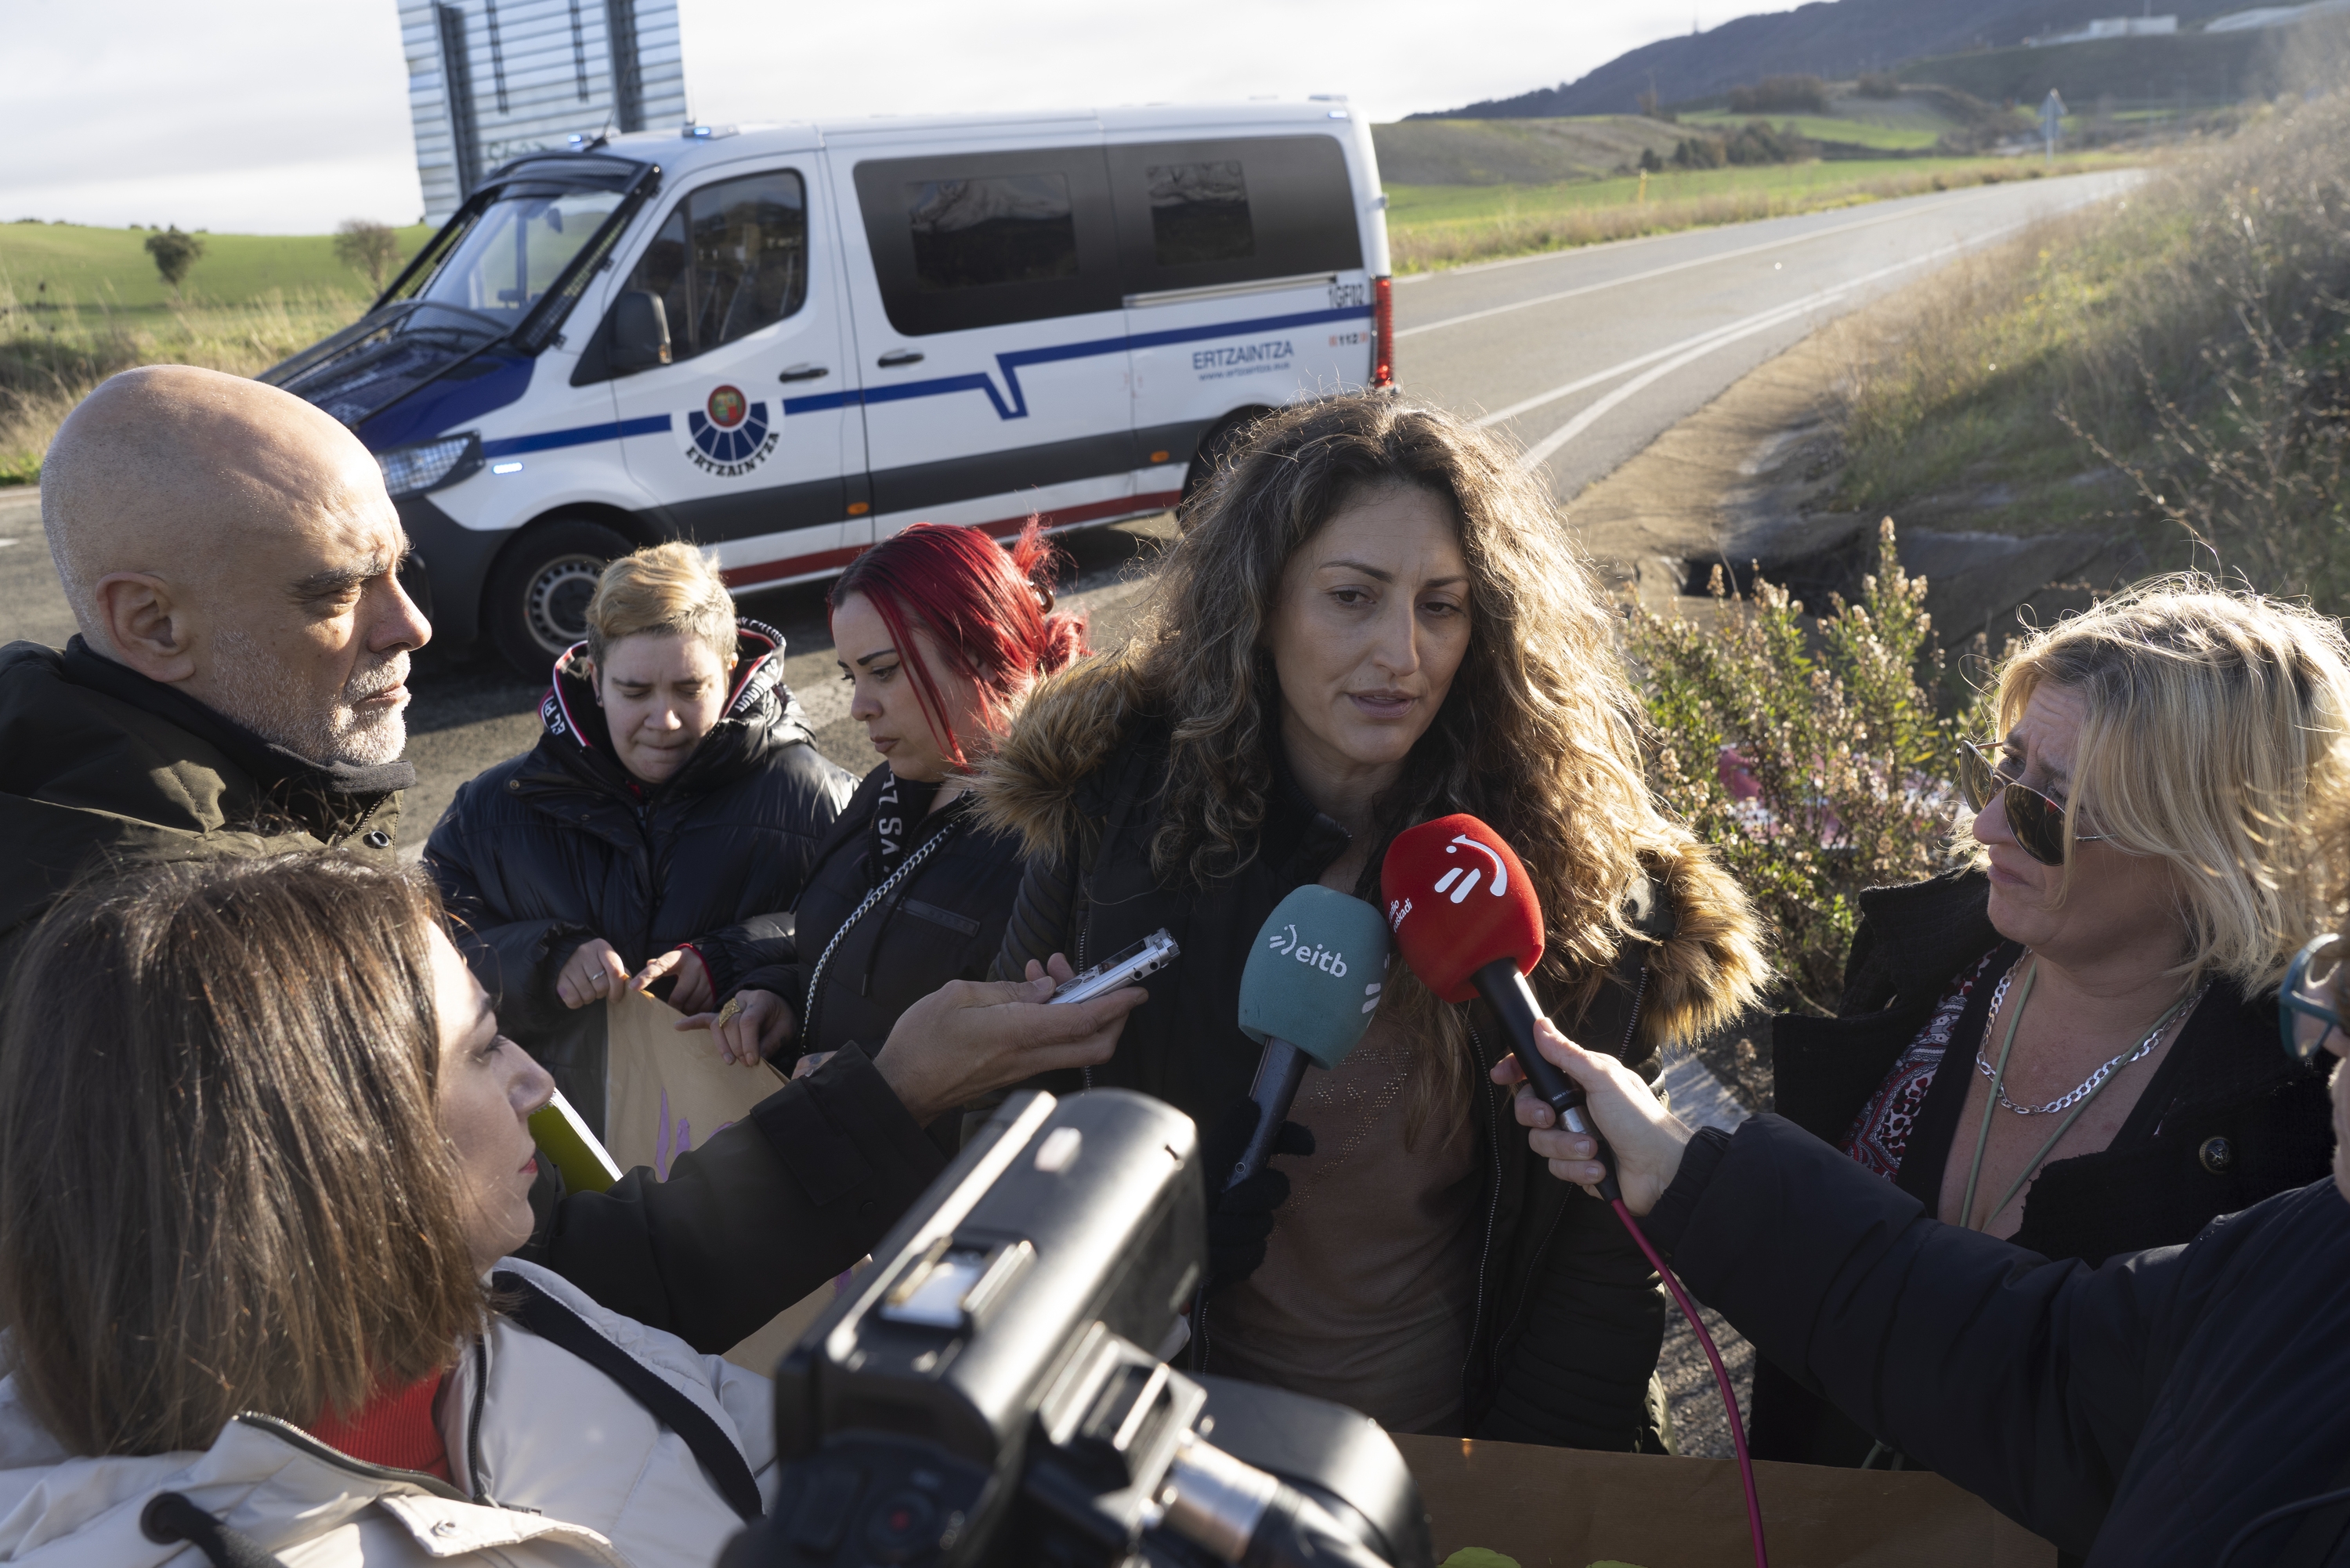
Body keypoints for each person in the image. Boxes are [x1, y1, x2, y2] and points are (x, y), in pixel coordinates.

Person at [978, 394, 1768, 1446]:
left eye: (1442, 606)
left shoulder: (1569, 877)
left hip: (1453, 1458)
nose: (1402, 654)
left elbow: (1595, 1260)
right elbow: (1001, 1137)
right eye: (1352, 596)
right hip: (1163, 1449)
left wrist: (1512, 1496)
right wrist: (1141, 1240)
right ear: (1260, 605)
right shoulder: (1113, 820)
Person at [0, 854, 1147, 1568]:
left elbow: (764, 1449)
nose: (540, 1087)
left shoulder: (526, 1310)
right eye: (487, 1049)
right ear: (335, 1154)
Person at [1505, 906, 2350, 1565]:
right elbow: (2033, 1361)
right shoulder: (2311, 1254)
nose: (2334, 1026)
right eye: (2001, 773)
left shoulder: (2279, 1120)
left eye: (2044, 807)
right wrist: (1686, 1170)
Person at [1755, 582, 2347, 1469]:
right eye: (2003, 769)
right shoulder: (1916, 967)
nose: (1987, 820)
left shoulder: (2297, 1114)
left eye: (2047, 807)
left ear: (2206, 850)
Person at [633, 522, 1086, 1115]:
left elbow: (1045, 1066)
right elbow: (839, 945)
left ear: (980, 646)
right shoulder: (894, 785)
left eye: (884, 671)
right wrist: (780, 998)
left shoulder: (1064, 825)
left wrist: (875, 1083)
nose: (857, 707)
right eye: (852, 676)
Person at [0, 364, 428, 968]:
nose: (411, 628)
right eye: (339, 591)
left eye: (397, 571)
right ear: (153, 626)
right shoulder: (195, 960)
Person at [424, 542, 854, 1133]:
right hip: (555, 1156)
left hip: (753, 1154)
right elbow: (425, 958)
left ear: (729, 672)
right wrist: (544, 957)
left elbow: (873, 947)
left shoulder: (821, 798)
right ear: (594, 678)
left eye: (688, 688)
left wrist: (739, 960)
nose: (665, 720)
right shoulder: (488, 811)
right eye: (634, 692)